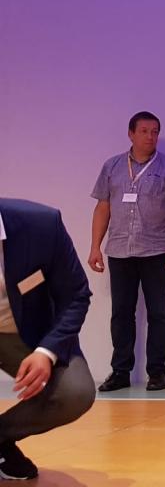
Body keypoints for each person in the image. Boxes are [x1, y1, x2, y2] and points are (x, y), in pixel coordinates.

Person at [89, 111, 165, 392]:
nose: (150, 136)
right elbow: (103, 208)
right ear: (131, 134)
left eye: (155, 131)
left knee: (158, 312)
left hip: (157, 250)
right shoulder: (112, 167)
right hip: (120, 250)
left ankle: (157, 372)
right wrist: (95, 246)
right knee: (121, 312)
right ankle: (120, 371)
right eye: (145, 131)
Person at [0, 198, 96, 480]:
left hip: (27, 335)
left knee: (74, 393)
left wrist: (47, 351)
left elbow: (76, 295)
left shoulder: (41, 225)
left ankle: (1, 437)